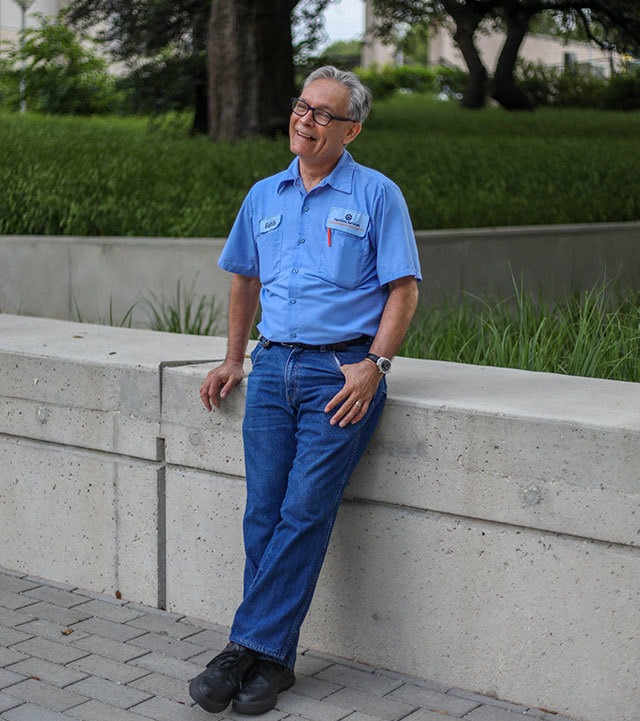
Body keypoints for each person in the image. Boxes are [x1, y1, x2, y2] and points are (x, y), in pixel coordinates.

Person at [189, 65, 421, 716]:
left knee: (304, 511)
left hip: (340, 375)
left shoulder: (378, 194)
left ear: (351, 128)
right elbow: (243, 281)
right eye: (301, 107)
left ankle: (240, 648)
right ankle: (272, 661)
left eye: (323, 113)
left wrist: (375, 364)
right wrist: (234, 358)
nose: (305, 119)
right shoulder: (265, 195)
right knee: (263, 512)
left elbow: (404, 288)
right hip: (272, 368)